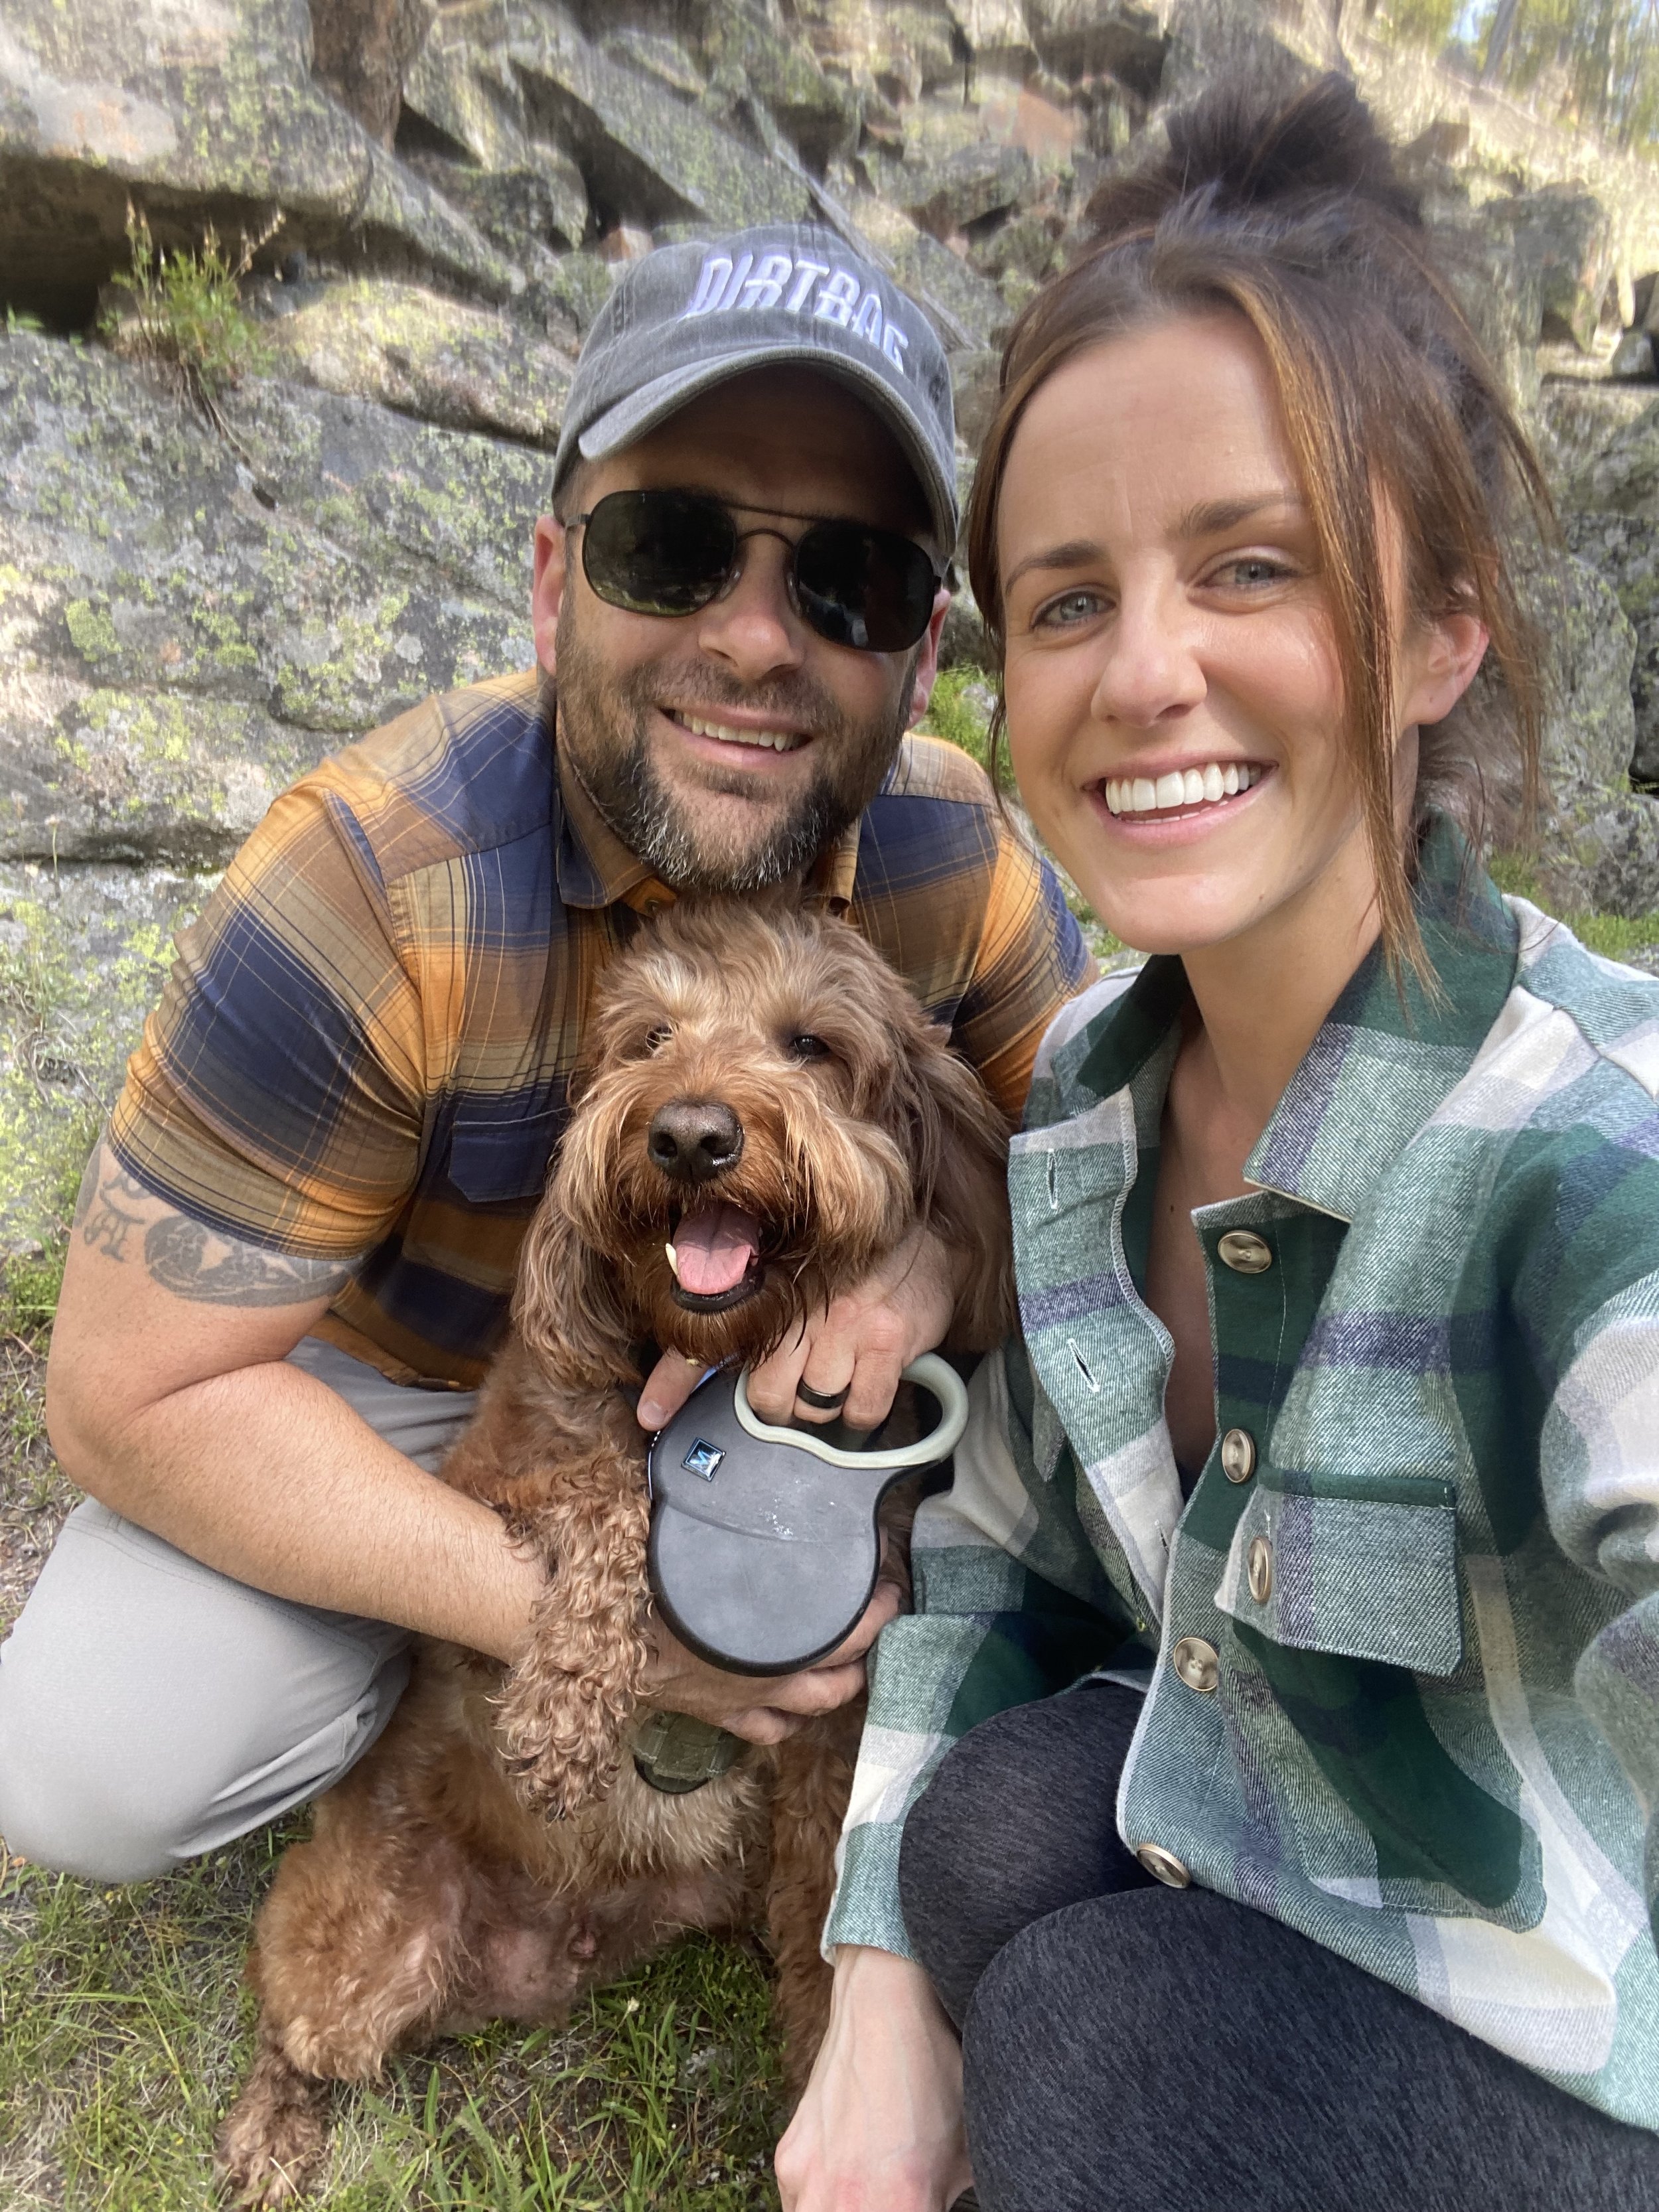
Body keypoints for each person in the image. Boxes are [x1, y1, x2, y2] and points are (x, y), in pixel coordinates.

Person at [779, 79, 1659, 2212]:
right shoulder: (1081, 1084)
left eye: (1246, 565)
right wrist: (877, 1982)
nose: (1144, 669)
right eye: (1066, 600)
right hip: (1321, 1806)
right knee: (988, 1848)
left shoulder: (1578, 1146)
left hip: (1581, 1989)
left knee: (1097, 2044)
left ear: (1439, 625)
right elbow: (988, 1541)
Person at [0, 223, 1089, 1880]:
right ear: (549, 579)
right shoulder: (366, 884)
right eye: (668, 547)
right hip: (415, 1393)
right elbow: (125, 1391)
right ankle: (395, 1657)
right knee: (87, 1759)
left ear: (920, 651)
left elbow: (1088, 1197)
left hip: (782, 1365)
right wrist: (588, 1618)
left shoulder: (960, 869)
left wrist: (928, 1269)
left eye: (845, 578)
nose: (752, 639)